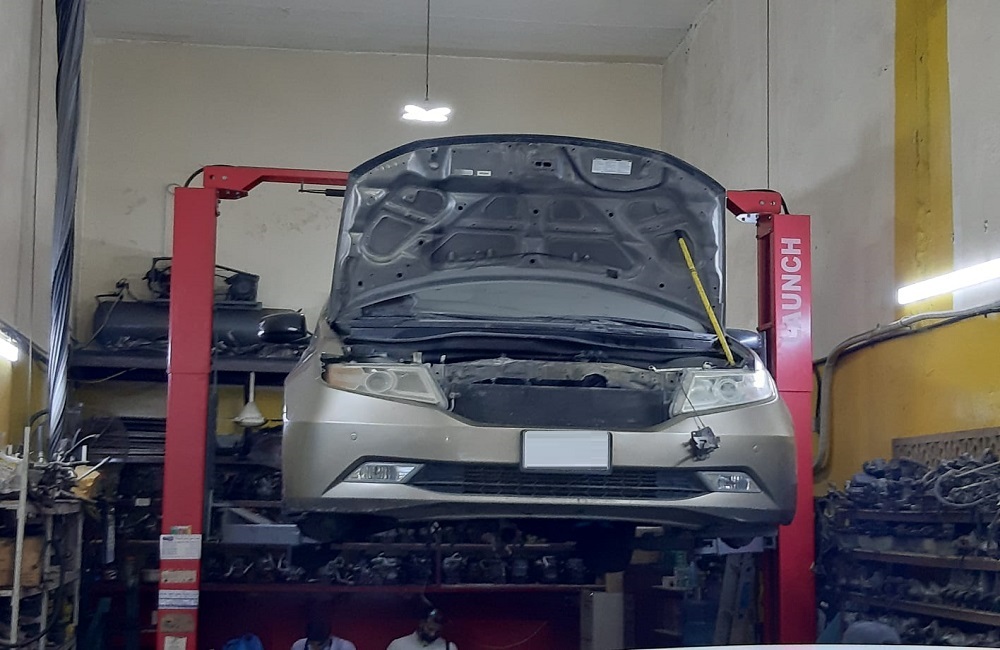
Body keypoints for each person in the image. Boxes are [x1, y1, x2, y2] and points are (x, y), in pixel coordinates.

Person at [387, 608, 457, 650]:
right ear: (421, 623)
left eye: (437, 632)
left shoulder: (449, 647)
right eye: (430, 629)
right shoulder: (398, 645)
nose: (432, 634)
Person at [291, 620, 357, 650]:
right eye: (311, 643)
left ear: (329, 637)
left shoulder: (345, 647)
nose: (315, 648)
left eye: (319, 645)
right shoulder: (299, 645)